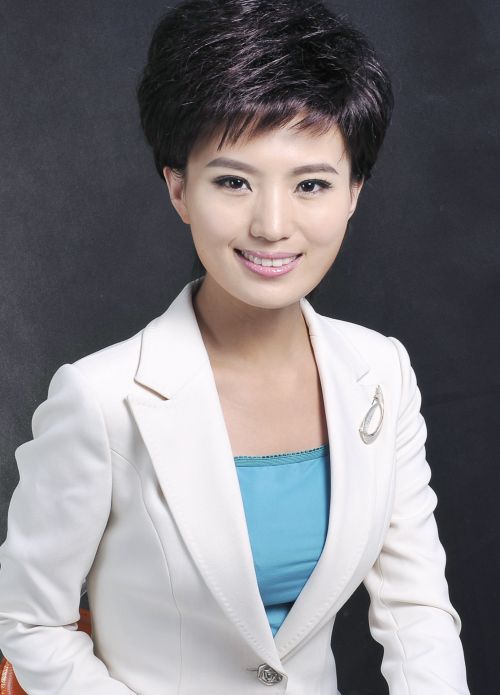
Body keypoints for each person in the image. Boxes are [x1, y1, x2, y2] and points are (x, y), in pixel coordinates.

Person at [0, 0, 470, 693]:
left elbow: (416, 611)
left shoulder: (381, 372)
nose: (272, 225)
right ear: (178, 188)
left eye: (311, 184)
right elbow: (29, 623)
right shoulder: (100, 398)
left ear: (353, 192)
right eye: (233, 181)